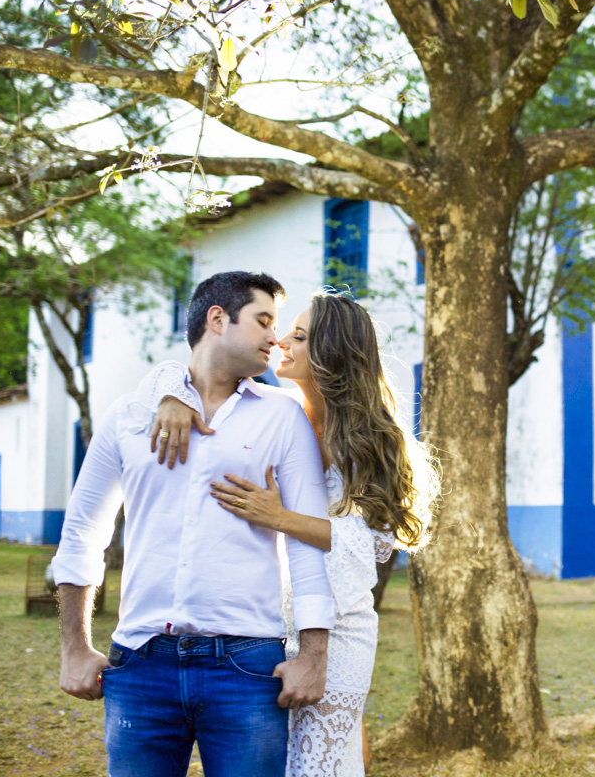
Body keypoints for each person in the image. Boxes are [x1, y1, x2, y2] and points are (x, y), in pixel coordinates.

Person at [51, 272, 336, 777]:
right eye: (263, 321)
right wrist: (74, 647)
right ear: (217, 319)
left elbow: (307, 539)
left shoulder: (283, 416)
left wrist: (314, 653)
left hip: (247, 666)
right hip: (139, 663)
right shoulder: (129, 416)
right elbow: (81, 533)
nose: (275, 337)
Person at [144, 288, 438, 777]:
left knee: (322, 763)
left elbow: (373, 542)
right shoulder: (274, 413)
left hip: (340, 628)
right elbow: (193, 368)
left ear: (331, 352)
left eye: (298, 336)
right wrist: (172, 393)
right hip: (264, 625)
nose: (280, 341)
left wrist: (279, 516)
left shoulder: (374, 438)